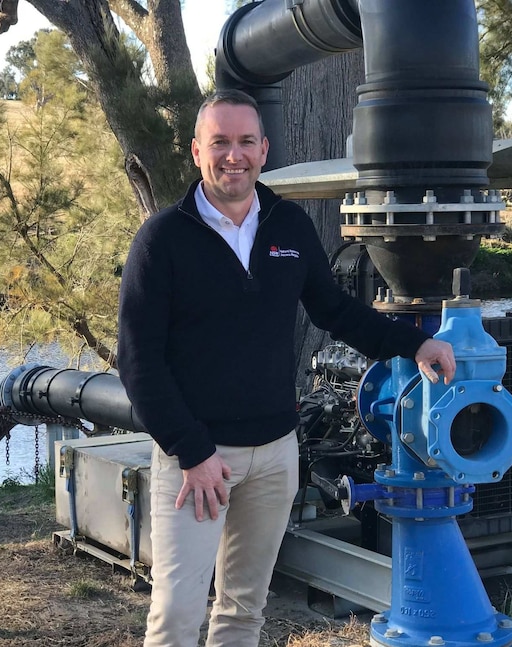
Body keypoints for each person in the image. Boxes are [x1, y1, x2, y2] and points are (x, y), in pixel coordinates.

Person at [117, 89, 456, 647]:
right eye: (220, 142)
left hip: (276, 455)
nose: (234, 155)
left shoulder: (288, 225)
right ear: (197, 152)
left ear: (264, 149)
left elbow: (337, 312)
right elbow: (137, 361)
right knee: (177, 614)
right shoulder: (162, 240)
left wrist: (412, 346)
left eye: (246, 141)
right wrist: (192, 451)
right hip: (198, 460)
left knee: (244, 608)